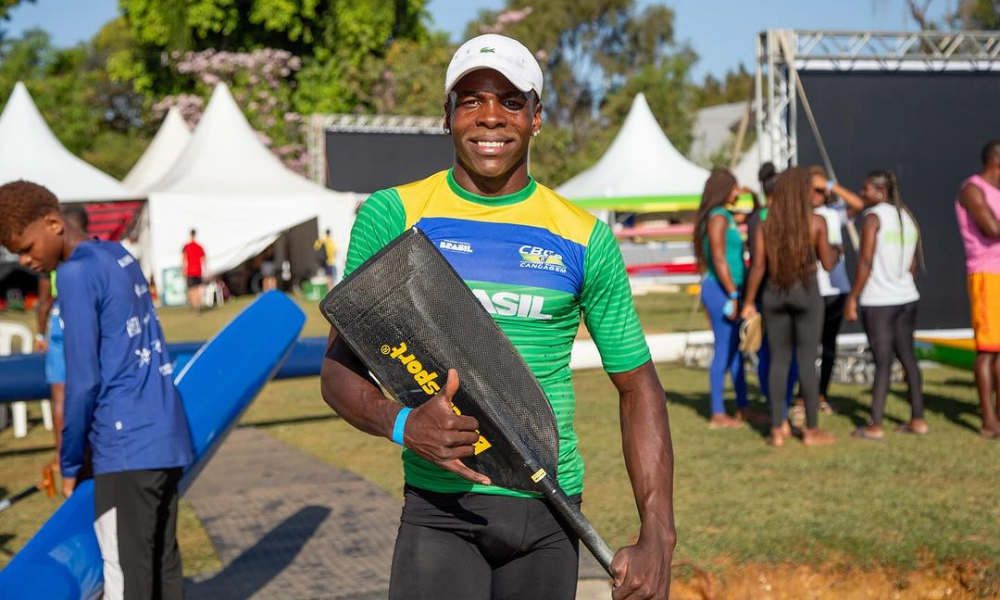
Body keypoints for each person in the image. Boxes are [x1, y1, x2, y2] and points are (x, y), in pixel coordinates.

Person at [320, 34, 676, 600]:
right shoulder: (394, 215)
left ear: (537, 117)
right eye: (471, 100)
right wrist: (404, 426)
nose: (491, 118)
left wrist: (659, 533)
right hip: (441, 514)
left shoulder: (584, 238)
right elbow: (338, 372)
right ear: (447, 117)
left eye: (511, 101)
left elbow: (639, 388)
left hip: (552, 513)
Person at [0, 180, 193, 599]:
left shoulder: (73, 273)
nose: (25, 260)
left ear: (53, 222)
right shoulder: (118, 254)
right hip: (166, 436)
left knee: (126, 578)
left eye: (26, 247)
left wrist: (70, 462)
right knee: (163, 568)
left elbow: (82, 381)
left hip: (124, 445)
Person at [742, 167, 839, 447]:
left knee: (778, 360)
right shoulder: (817, 221)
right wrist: (836, 250)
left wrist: (749, 301)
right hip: (807, 293)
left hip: (774, 294)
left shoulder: (765, 223)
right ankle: (811, 430)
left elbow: (758, 266)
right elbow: (828, 263)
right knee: (807, 361)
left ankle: (776, 428)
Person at [845, 170, 926, 439]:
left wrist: (853, 297)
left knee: (882, 362)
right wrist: (900, 283)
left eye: (865, 188)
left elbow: (865, 261)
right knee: (907, 358)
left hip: (879, 301)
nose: (860, 193)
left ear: (880, 191)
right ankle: (918, 420)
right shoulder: (907, 216)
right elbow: (912, 263)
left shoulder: (873, 217)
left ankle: (875, 425)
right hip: (906, 297)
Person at [800, 166, 864, 417]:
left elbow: (858, 204)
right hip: (811, 289)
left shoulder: (834, 212)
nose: (817, 194)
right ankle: (802, 398)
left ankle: (821, 394)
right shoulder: (801, 216)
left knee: (828, 347)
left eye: (820, 190)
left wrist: (830, 185)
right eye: (812, 189)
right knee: (807, 347)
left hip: (837, 289)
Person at [693, 168, 751, 428]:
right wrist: (734, 294)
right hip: (722, 291)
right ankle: (717, 413)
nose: (738, 192)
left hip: (729, 289)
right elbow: (718, 258)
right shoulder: (717, 218)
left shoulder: (724, 215)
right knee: (724, 350)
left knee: (736, 352)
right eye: (735, 187)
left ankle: (743, 406)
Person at [34, 205, 89, 473]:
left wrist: (40, 334)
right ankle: (86, 453)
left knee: (60, 399)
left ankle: (62, 457)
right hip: (82, 322)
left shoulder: (51, 260)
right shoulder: (88, 258)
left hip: (58, 322)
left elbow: (44, 302)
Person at [956, 141, 1000, 439]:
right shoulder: (972, 189)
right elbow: (992, 229)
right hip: (986, 275)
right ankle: (988, 420)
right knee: (986, 351)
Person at [747, 163, 796, 429]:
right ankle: (785, 404)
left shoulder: (758, 218)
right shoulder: (793, 218)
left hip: (767, 293)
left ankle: (774, 404)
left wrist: (748, 300)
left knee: (770, 353)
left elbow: (757, 262)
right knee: (790, 353)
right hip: (794, 291)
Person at [182, 228, 207, 312]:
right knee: (197, 289)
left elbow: (184, 259)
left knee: (192, 290)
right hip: (198, 271)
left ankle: (196, 306)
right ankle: (198, 305)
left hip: (190, 271)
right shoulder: (199, 247)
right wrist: (206, 270)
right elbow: (204, 259)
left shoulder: (187, 247)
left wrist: (183, 269)